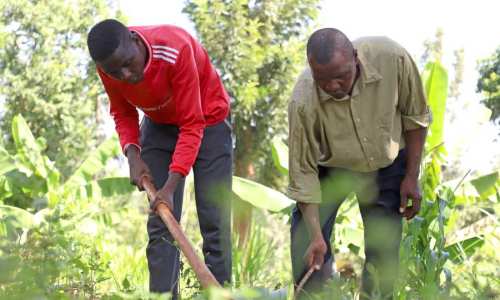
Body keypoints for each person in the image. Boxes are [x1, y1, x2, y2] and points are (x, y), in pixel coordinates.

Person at [86, 19, 232, 298]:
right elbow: (123, 112)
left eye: (129, 62)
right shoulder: (109, 67)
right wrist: (132, 153)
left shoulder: (175, 48)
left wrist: (169, 186)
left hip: (208, 120)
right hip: (158, 124)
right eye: (116, 72)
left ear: (135, 40)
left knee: (215, 220)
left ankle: (220, 294)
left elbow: (192, 124)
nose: (126, 75)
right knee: (160, 224)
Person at [288, 28, 430, 299]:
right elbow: (302, 172)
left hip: (385, 163)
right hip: (329, 166)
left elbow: (416, 117)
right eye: (323, 79)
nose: (332, 86)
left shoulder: (392, 58)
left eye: (340, 76)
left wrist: (411, 176)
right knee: (306, 244)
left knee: (383, 255)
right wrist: (317, 235)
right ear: (311, 69)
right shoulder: (303, 100)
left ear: (355, 58)